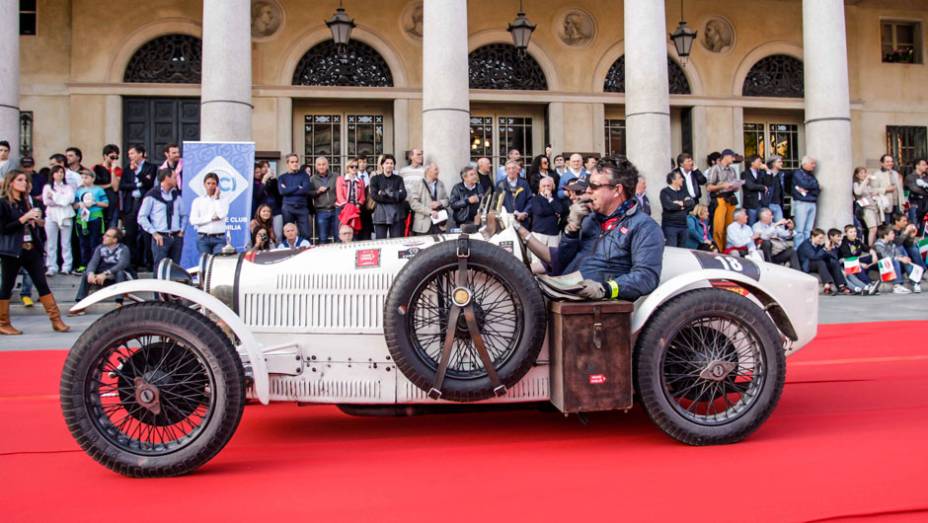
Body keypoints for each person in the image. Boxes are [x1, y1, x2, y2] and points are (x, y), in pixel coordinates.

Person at [512, 157, 664, 301]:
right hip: (564, 294)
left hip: (599, 309)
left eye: (595, 186)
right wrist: (571, 229)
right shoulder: (590, 219)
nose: (589, 191)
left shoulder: (644, 227)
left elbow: (646, 276)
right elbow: (563, 259)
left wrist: (606, 289)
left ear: (617, 190)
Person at [0, 170, 69, 334]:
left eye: (25, 180)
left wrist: (35, 222)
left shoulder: (26, 201)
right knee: (7, 285)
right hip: (12, 250)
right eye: (20, 180)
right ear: (11, 183)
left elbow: (25, 224)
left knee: (41, 283)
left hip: (31, 248)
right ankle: (3, 322)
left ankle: (56, 320)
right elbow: (3, 229)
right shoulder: (3, 203)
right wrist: (24, 219)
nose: (24, 183)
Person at [137, 168, 187, 268]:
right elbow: (141, 217)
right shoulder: (152, 195)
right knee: (160, 268)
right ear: (166, 178)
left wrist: (181, 231)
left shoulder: (176, 195)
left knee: (175, 269)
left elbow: (184, 215)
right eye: (174, 177)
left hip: (176, 236)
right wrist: (154, 233)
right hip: (161, 237)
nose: (176, 179)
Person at [74, 228, 133, 306]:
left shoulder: (123, 249)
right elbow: (93, 262)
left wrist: (106, 274)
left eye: (107, 236)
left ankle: (119, 301)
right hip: (101, 278)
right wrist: (90, 273)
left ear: (115, 239)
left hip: (117, 277)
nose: (103, 237)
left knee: (120, 273)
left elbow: (122, 265)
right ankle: (80, 303)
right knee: (86, 274)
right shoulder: (100, 248)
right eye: (105, 235)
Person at [120, 145, 157, 268]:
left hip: (144, 203)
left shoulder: (150, 167)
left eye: (132, 153)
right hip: (131, 203)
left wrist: (138, 173)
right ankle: (132, 262)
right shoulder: (127, 169)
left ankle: (148, 261)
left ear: (140, 154)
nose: (130, 156)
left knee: (146, 234)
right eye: (129, 154)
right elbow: (122, 185)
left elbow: (149, 183)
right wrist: (138, 184)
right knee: (131, 234)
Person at [524, 177, 564, 272]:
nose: (546, 188)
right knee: (536, 261)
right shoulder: (535, 199)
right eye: (543, 186)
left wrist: (550, 199)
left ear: (552, 187)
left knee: (554, 261)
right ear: (539, 188)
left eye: (548, 185)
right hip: (539, 233)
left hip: (553, 234)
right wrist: (553, 211)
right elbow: (540, 211)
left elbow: (560, 210)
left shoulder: (555, 198)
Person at [42, 165, 75, 276]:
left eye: (61, 172)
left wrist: (55, 196)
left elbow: (69, 200)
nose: (60, 174)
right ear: (52, 174)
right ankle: (51, 266)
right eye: (57, 172)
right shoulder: (47, 187)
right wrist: (61, 199)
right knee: (51, 243)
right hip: (52, 215)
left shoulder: (68, 187)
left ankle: (66, 266)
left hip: (65, 215)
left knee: (65, 243)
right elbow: (46, 201)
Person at [797, 228, 851, 295]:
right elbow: (814, 257)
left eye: (822, 238)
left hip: (817, 264)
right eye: (820, 238)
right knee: (820, 262)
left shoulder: (818, 245)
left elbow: (830, 257)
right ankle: (826, 285)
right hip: (807, 265)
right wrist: (825, 249)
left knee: (834, 262)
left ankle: (841, 286)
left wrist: (829, 250)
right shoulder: (806, 245)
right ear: (813, 236)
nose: (821, 240)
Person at [705, 149, 741, 249]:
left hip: (731, 199)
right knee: (719, 228)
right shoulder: (715, 169)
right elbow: (708, 187)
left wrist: (736, 186)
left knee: (730, 227)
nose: (734, 159)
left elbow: (736, 188)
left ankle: (728, 249)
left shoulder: (732, 170)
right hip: (719, 199)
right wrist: (722, 186)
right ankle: (719, 249)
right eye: (732, 157)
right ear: (726, 156)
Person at [74, 169, 109, 271]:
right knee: (83, 242)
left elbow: (106, 203)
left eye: (86, 177)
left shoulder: (99, 190)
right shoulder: (79, 191)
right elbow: (75, 205)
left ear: (93, 178)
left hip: (95, 217)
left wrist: (95, 203)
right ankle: (84, 264)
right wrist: (79, 205)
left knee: (94, 242)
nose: (84, 180)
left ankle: (95, 265)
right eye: (82, 177)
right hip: (82, 219)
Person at [189, 172, 229, 256]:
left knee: (217, 263)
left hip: (219, 238)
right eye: (208, 183)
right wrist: (210, 218)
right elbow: (193, 220)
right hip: (203, 238)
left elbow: (221, 215)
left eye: (213, 183)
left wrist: (217, 198)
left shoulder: (224, 200)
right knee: (205, 264)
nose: (211, 186)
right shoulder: (198, 201)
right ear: (204, 184)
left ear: (217, 185)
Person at [873, 224, 920, 294]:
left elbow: (897, 253)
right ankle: (897, 286)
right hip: (883, 267)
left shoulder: (891, 243)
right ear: (885, 235)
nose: (894, 235)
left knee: (905, 261)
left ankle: (915, 283)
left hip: (893, 267)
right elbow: (885, 257)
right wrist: (900, 258)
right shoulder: (878, 244)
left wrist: (903, 258)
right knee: (895, 260)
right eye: (892, 233)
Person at [370, 154, 407, 239]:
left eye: (391, 163)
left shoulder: (399, 179)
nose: (389, 165)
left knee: (396, 241)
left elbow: (403, 195)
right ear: (382, 165)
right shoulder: (375, 179)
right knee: (380, 242)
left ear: (394, 165)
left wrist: (383, 193)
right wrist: (395, 195)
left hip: (396, 215)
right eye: (387, 163)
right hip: (381, 214)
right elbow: (374, 196)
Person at [278, 153, 312, 241]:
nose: (295, 164)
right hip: (288, 208)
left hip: (302, 208)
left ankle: (305, 252)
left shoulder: (304, 175)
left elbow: (305, 190)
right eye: (292, 162)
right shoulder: (282, 177)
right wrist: (297, 186)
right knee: (288, 233)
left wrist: (288, 190)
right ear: (287, 163)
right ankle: (288, 252)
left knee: (306, 234)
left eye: (296, 162)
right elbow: (282, 191)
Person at [408, 162, 449, 235]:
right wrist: (430, 212)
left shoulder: (440, 184)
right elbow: (414, 204)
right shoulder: (418, 184)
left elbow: (447, 201)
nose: (438, 172)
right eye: (436, 169)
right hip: (423, 225)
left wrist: (439, 203)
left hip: (439, 223)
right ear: (428, 171)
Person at [838, 224, 878, 295]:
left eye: (855, 231)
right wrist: (860, 264)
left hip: (855, 260)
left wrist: (874, 255)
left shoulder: (857, 241)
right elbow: (848, 258)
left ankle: (883, 277)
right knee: (859, 267)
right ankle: (868, 284)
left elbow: (868, 249)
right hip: (846, 262)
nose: (854, 234)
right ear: (846, 233)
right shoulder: (844, 243)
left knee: (873, 257)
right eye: (851, 232)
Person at [660, 170, 695, 247]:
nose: (682, 179)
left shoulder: (684, 191)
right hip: (670, 227)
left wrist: (681, 203)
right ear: (673, 180)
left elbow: (692, 203)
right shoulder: (665, 192)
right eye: (679, 178)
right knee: (672, 250)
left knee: (683, 251)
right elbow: (669, 206)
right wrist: (684, 204)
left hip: (683, 226)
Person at [791, 156, 820, 247]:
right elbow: (805, 184)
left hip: (812, 202)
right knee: (800, 229)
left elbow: (817, 188)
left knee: (808, 229)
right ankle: (799, 248)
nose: (814, 166)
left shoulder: (811, 175)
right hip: (801, 203)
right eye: (812, 163)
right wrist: (813, 186)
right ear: (804, 164)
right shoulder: (798, 173)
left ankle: (807, 248)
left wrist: (811, 187)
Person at [92, 144, 122, 228]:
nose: (114, 160)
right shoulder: (96, 168)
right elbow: (93, 186)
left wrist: (112, 170)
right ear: (105, 156)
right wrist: (109, 185)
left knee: (112, 227)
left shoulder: (118, 170)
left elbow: (115, 187)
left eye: (116, 158)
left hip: (113, 202)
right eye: (112, 157)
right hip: (99, 201)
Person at [310, 156, 339, 244]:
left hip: (335, 210)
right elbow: (310, 194)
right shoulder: (312, 179)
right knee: (322, 238)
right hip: (321, 211)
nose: (321, 166)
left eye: (323, 164)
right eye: (319, 164)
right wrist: (318, 191)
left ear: (327, 165)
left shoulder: (336, 176)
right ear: (316, 166)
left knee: (338, 236)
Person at [336, 159, 366, 240]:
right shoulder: (340, 179)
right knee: (342, 231)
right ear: (347, 168)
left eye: (356, 167)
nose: (354, 168)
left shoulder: (360, 181)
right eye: (352, 166)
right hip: (343, 209)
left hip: (355, 209)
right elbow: (339, 194)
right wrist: (346, 206)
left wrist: (358, 205)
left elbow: (362, 197)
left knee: (353, 232)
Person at [741, 155, 768, 225]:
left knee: (763, 224)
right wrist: (763, 187)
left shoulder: (761, 173)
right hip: (751, 204)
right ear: (752, 162)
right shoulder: (745, 174)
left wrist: (767, 170)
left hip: (761, 203)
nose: (760, 163)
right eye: (759, 161)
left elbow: (768, 183)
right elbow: (750, 186)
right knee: (751, 224)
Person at [904, 157, 928, 227]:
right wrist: (925, 189)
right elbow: (915, 189)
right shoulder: (910, 177)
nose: (926, 166)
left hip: (925, 204)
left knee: (924, 226)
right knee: (914, 225)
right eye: (923, 165)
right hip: (915, 204)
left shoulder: (926, 177)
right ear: (917, 166)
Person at [764, 156, 787, 222]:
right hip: (768, 204)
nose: (781, 163)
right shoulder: (765, 174)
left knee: (780, 226)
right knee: (767, 226)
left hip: (778, 204)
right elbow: (766, 184)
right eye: (779, 162)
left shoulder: (781, 174)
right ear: (773, 164)